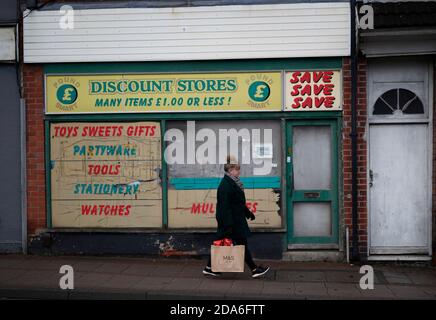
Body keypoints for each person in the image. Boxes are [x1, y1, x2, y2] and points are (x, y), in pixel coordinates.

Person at [203, 155, 270, 278]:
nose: (239, 171)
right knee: (240, 244)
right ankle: (254, 269)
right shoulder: (225, 185)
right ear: (230, 170)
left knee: (224, 243)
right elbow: (224, 207)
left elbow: (237, 202)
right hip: (231, 221)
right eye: (237, 169)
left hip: (234, 220)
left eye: (238, 169)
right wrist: (228, 225)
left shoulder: (234, 183)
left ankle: (209, 267)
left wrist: (247, 212)